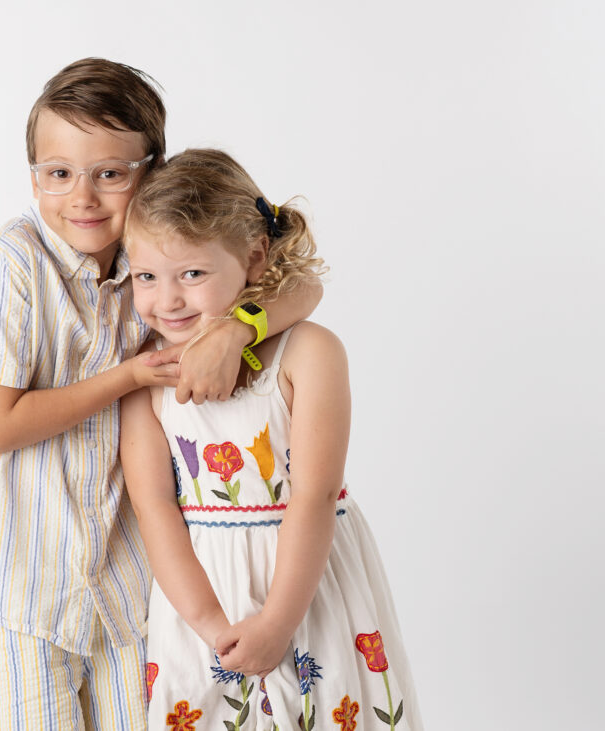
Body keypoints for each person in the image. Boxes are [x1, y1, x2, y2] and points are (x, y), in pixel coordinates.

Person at [0, 61, 320, 730]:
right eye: (58, 173)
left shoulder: (151, 266)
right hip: (19, 590)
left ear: (151, 173)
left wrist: (239, 328)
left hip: (122, 591)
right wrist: (130, 377)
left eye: (110, 173)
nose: (82, 196)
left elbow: (306, 285)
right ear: (34, 176)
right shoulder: (11, 267)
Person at [121, 149, 422, 730]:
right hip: (200, 600)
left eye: (192, 273)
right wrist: (211, 625)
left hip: (308, 588)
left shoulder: (309, 352)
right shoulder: (145, 376)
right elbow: (153, 506)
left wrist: (280, 622)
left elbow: (313, 495)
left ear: (254, 257)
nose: (168, 299)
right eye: (146, 277)